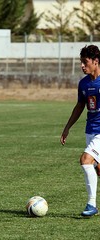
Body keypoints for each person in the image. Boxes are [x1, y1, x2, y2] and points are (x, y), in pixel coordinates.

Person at [60, 44, 100, 217]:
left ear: (96, 61)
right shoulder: (83, 83)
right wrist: (67, 127)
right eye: (81, 62)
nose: (82, 66)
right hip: (90, 129)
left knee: (85, 160)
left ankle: (91, 204)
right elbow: (80, 106)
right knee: (97, 169)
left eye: (85, 62)